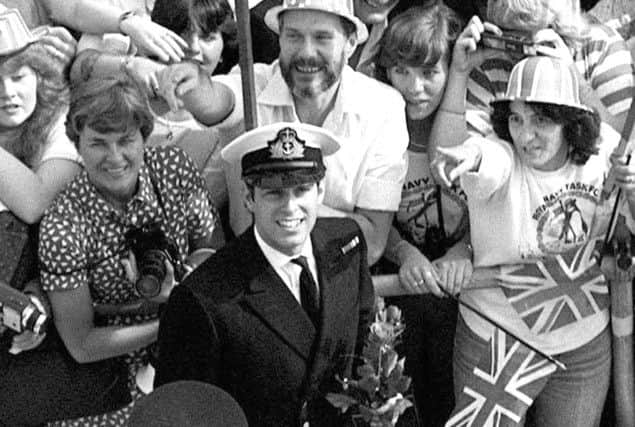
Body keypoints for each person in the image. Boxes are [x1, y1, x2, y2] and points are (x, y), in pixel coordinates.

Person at [433, 55, 635, 427]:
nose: (525, 135)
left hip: (581, 345)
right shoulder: (500, 152)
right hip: (496, 340)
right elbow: (486, 160)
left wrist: (632, 188)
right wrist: (468, 158)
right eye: (516, 118)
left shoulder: (607, 153)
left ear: (571, 121)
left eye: (542, 119)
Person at [154, 0, 409, 265]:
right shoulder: (253, 83)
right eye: (293, 36)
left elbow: (373, 241)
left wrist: (280, 210)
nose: (306, 52)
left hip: (338, 280)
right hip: (254, 278)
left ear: (351, 43)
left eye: (322, 38)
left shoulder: (384, 108)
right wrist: (193, 84)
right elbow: (219, 101)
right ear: (280, 38)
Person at [155, 122, 375, 427]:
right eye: (274, 193)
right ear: (248, 197)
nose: (290, 207)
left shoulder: (346, 245)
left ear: (320, 190)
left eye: (302, 189)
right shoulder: (205, 298)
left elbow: (367, 348)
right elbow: (183, 413)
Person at [38, 76, 219, 425]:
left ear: (143, 136)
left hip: (192, 334)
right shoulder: (64, 225)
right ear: (77, 144)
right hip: (111, 366)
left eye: (126, 140)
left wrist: (186, 279)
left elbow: (211, 246)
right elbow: (81, 343)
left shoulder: (173, 169)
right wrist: (169, 318)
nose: (115, 157)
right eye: (98, 143)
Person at [0, 9, 134, 426]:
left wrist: (32, 301)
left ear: (39, 75)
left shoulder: (63, 125)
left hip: (57, 329)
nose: (8, 92)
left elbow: (36, 202)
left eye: (20, 75)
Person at [373, 4, 470, 426]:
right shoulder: (378, 129)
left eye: (430, 73)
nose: (415, 88)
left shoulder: (470, 129)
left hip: (465, 295)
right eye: (401, 72)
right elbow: (371, 215)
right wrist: (404, 252)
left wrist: (466, 250)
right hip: (403, 295)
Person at [429, 0, 635, 160]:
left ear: (559, 26)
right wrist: (459, 72)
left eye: (532, 41)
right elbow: (448, 166)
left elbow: (628, 149)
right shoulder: (494, 59)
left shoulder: (599, 45)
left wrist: (576, 82)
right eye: (512, 41)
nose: (522, 54)